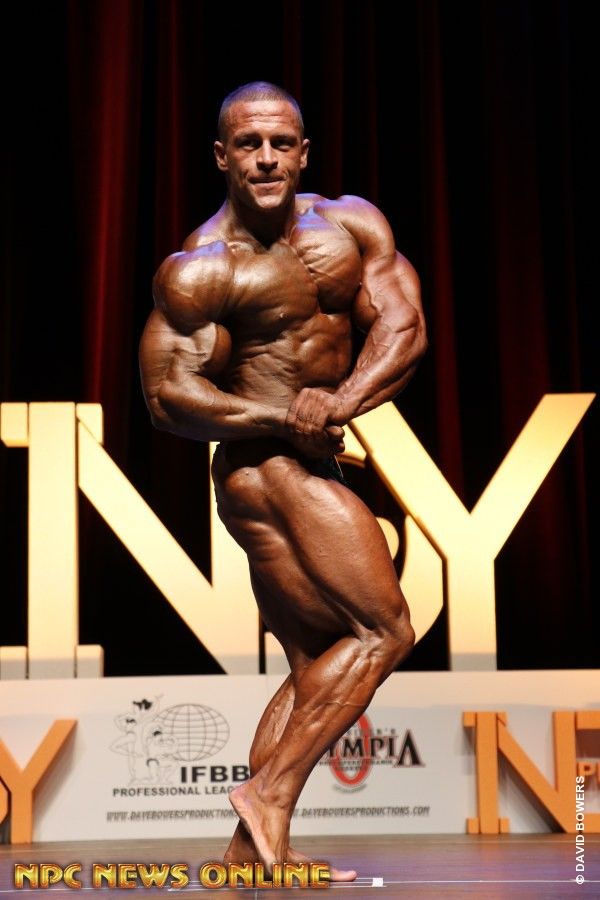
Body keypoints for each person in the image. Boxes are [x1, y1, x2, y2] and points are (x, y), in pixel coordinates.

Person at [139, 81, 427, 878]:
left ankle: (247, 851)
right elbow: (166, 396)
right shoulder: (201, 267)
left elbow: (404, 328)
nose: (265, 158)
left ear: (303, 152)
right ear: (221, 156)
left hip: (312, 455)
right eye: (248, 144)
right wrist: (279, 417)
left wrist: (339, 401)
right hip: (260, 469)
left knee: (319, 664)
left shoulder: (353, 224)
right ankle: (267, 795)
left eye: (280, 143)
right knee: (384, 632)